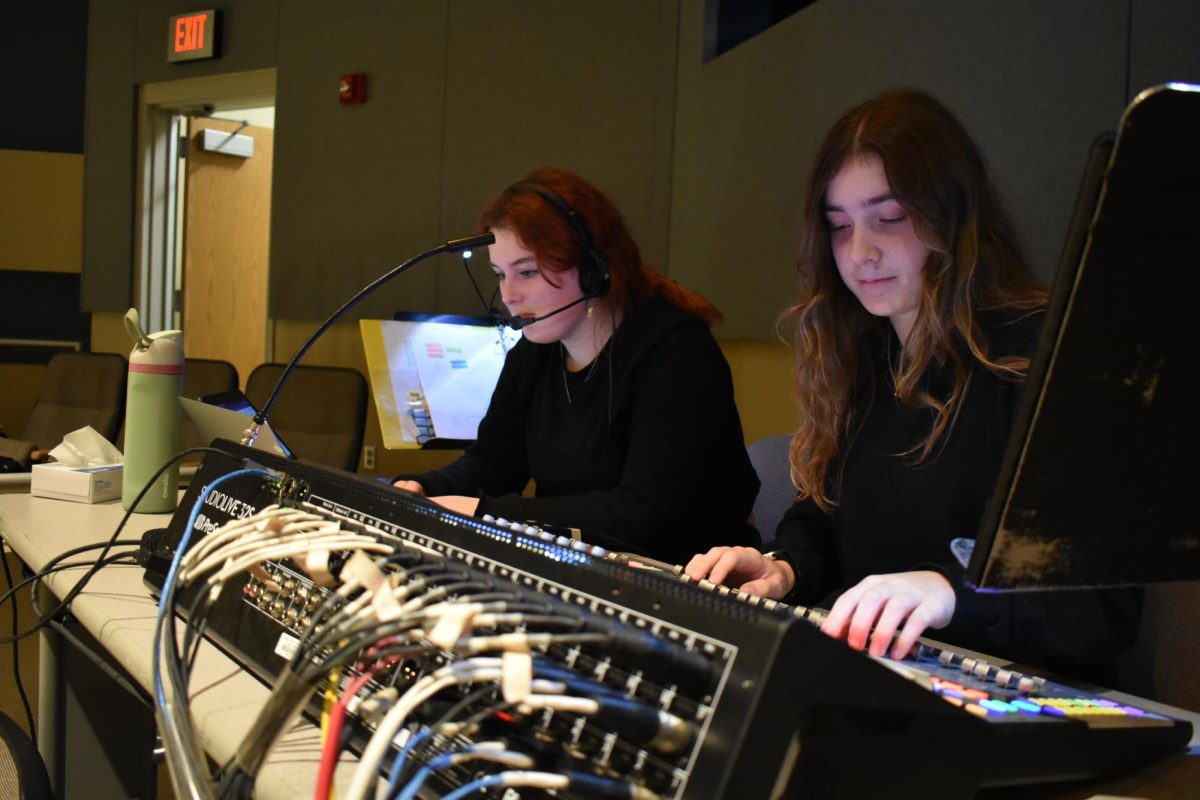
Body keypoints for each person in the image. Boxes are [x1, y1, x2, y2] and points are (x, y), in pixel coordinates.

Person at [686, 90, 1139, 681]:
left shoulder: (1043, 354)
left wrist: (950, 590)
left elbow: (1099, 606)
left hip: (1026, 694)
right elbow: (823, 516)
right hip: (890, 680)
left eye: (889, 218)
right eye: (840, 226)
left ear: (952, 215)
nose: (859, 253)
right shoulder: (864, 351)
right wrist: (784, 567)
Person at [394, 168, 759, 565]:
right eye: (500, 274)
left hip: (686, 580)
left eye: (527, 272)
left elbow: (647, 515)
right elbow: (494, 463)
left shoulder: (676, 352)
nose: (509, 295)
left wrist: (482, 513)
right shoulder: (535, 351)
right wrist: (419, 489)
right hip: (580, 571)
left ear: (593, 270)